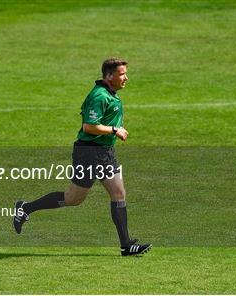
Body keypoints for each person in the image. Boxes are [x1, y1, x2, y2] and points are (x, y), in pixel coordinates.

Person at [13, 58, 152, 256]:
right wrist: (114, 130)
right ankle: (26, 207)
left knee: (118, 193)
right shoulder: (99, 96)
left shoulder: (110, 94)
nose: (126, 78)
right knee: (73, 198)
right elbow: (89, 127)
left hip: (104, 152)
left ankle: (126, 245)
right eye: (122, 74)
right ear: (109, 76)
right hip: (89, 153)